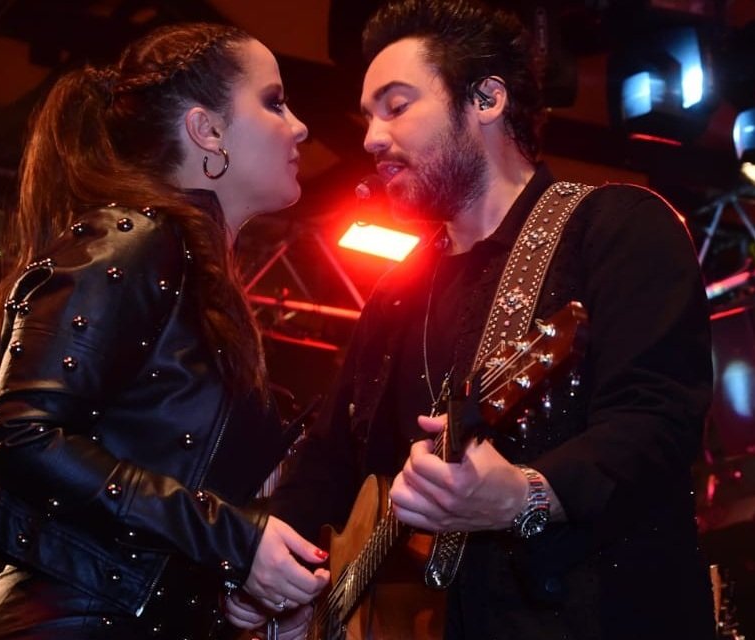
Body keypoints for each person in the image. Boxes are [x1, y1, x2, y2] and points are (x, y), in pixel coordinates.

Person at [262, 1, 717, 638]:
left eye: (396, 106)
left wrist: (527, 493)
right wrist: (267, 563)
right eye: (368, 116)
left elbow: (658, 421)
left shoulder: (615, 227)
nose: (370, 138)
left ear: (487, 99)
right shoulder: (396, 293)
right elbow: (331, 458)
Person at [0, 22, 329, 640]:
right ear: (207, 130)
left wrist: (241, 586)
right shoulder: (133, 239)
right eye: (274, 102)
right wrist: (235, 541)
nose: (299, 127)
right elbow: (21, 434)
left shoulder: (193, 274)